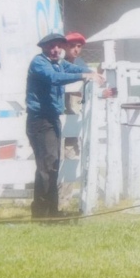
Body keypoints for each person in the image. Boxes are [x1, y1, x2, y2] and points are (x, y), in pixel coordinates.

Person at [26, 33, 105, 219]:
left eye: (59, 46)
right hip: (39, 120)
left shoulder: (59, 62)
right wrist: (85, 74)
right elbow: (54, 77)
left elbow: (75, 68)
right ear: (44, 48)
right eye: (52, 47)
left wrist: (94, 74)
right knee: (46, 166)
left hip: (52, 119)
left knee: (52, 165)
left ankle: (51, 210)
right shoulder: (39, 63)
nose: (56, 50)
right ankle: (41, 212)